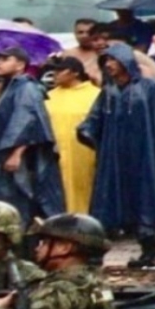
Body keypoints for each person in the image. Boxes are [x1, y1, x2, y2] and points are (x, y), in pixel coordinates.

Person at [78, 43, 155, 268]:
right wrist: (86, 132)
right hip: (120, 159)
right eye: (106, 61)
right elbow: (94, 121)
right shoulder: (108, 93)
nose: (109, 65)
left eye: (114, 60)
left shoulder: (152, 88)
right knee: (132, 201)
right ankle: (148, 251)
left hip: (152, 156)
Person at [0, 46, 64, 230]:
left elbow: (27, 121)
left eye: (4, 59)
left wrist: (16, 153)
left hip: (16, 158)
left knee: (18, 202)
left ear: (20, 64)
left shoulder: (27, 88)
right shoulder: (9, 87)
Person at [43, 56, 101, 215]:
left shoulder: (96, 95)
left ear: (75, 73)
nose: (54, 74)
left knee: (86, 187)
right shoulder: (49, 96)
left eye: (60, 70)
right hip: (55, 155)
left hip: (85, 155)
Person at [59, 18, 102, 85]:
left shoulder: (103, 54)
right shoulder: (67, 54)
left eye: (88, 32)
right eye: (80, 32)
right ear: (75, 34)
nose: (84, 36)